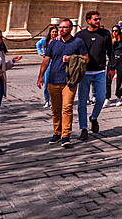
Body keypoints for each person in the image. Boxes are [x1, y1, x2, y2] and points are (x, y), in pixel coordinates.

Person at [37, 19, 88, 147]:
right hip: (54, 79)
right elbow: (46, 60)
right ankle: (57, 132)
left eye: (64, 27)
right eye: (60, 27)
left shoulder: (78, 42)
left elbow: (86, 59)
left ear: (71, 29)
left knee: (67, 108)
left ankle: (66, 135)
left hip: (69, 80)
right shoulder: (54, 43)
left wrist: (71, 59)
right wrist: (40, 76)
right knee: (55, 109)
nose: (61, 29)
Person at [75, 11, 114, 141]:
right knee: (82, 102)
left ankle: (94, 118)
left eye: (99, 19)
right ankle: (83, 128)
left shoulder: (105, 34)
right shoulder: (80, 35)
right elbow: (73, 50)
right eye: (95, 19)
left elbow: (110, 51)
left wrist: (112, 68)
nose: (98, 21)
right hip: (84, 73)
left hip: (100, 72)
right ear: (88, 21)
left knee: (101, 98)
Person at [36, 25, 57, 108]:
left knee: (54, 83)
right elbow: (37, 44)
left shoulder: (58, 40)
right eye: (53, 32)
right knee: (46, 82)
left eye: (55, 32)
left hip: (55, 62)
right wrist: (40, 52)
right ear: (50, 32)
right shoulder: (45, 40)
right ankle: (47, 100)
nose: (54, 33)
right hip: (47, 62)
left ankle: (53, 101)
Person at [110, 26, 122, 105]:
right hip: (112, 60)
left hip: (121, 59)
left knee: (119, 79)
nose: (114, 32)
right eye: (113, 31)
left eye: (116, 31)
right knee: (108, 79)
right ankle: (107, 97)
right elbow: (108, 51)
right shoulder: (110, 41)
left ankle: (118, 97)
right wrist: (112, 43)